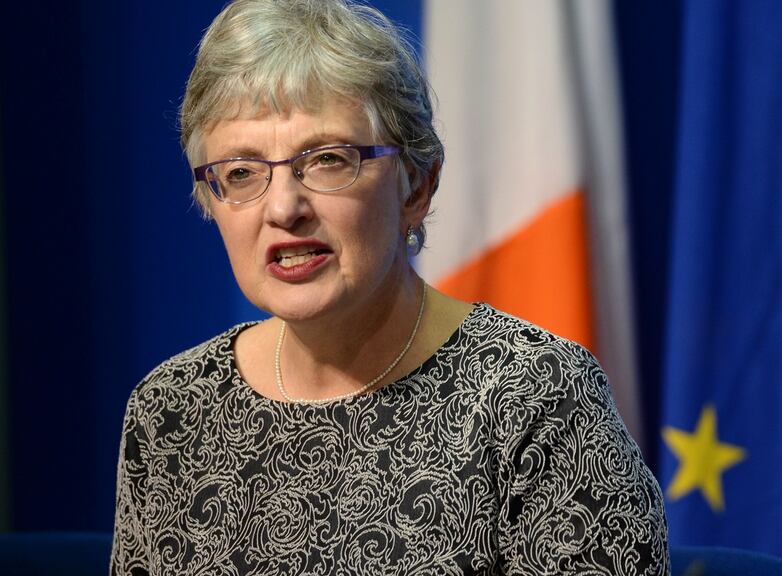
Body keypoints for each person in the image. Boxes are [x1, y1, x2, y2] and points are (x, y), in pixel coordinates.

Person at [109, 0, 669, 573]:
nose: (283, 208)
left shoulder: (536, 398)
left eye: (327, 160)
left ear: (416, 188)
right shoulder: (171, 411)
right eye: (241, 172)